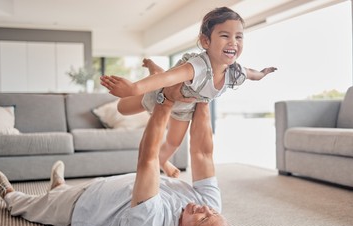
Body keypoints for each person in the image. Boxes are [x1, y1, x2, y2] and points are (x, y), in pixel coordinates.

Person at [0, 84, 234, 226]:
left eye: (202, 218)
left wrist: (165, 102)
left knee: (33, 206)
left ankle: (9, 194)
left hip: (84, 207)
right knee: (59, 193)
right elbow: (202, 153)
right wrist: (204, 95)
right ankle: (59, 187)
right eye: (211, 212)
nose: (204, 208)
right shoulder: (211, 209)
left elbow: (147, 159)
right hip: (113, 187)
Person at [100, 7, 277, 178]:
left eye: (239, 37)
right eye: (225, 35)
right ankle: (154, 70)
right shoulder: (197, 66)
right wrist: (133, 88)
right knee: (123, 108)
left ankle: (162, 162)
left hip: (185, 108)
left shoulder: (234, 73)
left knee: (173, 143)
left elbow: (251, 74)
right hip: (162, 94)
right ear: (206, 41)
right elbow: (167, 80)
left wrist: (262, 74)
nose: (233, 42)